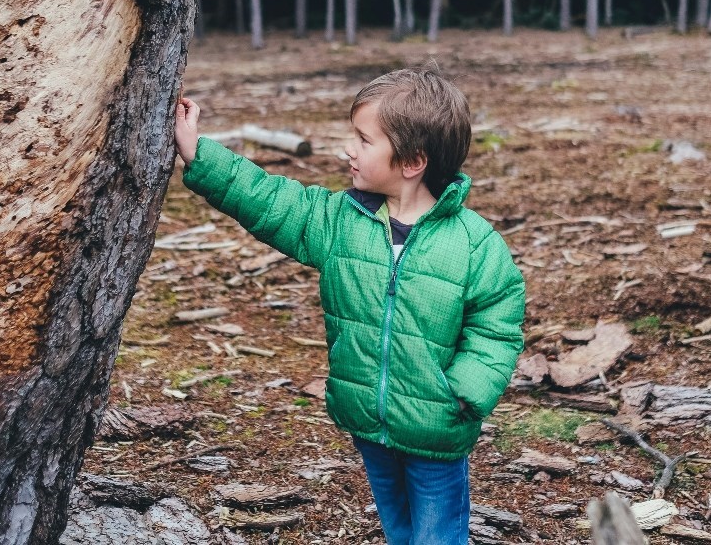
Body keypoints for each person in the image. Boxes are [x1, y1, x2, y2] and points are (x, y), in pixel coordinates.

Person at [174, 66, 525, 545]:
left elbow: (497, 326)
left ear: (412, 161)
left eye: (363, 140)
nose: (348, 149)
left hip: (437, 430)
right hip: (366, 418)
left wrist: (463, 394)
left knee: (437, 535)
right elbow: (271, 201)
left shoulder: (474, 244)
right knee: (399, 527)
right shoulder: (342, 221)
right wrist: (200, 153)